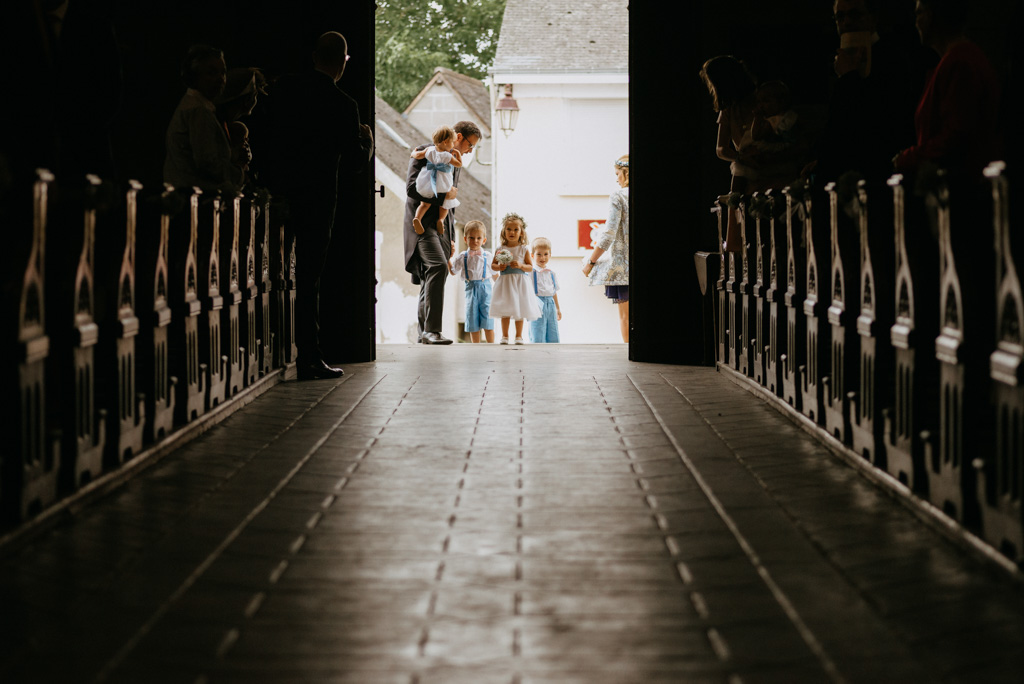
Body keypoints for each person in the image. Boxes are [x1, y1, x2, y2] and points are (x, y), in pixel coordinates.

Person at [261, 31, 374, 379]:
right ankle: (308, 356)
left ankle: (269, 349)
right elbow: (355, 162)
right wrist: (366, 142)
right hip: (318, 199)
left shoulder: (283, 90)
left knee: (267, 274)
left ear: (313, 57)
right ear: (342, 62)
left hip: (276, 193)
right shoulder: (343, 104)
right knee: (308, 278)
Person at [808, 0, 933, 185]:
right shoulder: (840, 60)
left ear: (872, 19)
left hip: (876, 179)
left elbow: (877, 124)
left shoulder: (892, 60)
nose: (847, 22)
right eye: (840, 16)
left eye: (855, 14)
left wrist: (849, 78)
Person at [894, 0, 1001, 179]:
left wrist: (907, 159)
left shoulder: (960, 62)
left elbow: (954, 138)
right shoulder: (958, 60)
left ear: (931, 16)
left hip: (960, 188)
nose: (916, 22)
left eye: (919, 13)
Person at [403, 121, 482, 345]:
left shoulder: (454, 161)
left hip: (442, 228)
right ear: (458, 136)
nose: (470, 151)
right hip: (421, 224)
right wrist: (443, 196)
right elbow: (411, 189)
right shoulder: (425, 151)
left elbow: (451, 202)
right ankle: (432, 331)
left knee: (433, 275)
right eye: (470, 145)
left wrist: (452, 237)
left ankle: (424, 333)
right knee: (437, 266)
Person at [164, 45, 242, 193]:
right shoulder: (198, 110)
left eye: (223, 73)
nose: (220, 79)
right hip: (194, 197)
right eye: (211, 73)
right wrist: (238, 175)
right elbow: (207, 162)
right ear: (194, 75)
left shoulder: (194, 105)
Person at [700, 56, 758, 251]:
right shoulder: (729, 110)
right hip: (745, 168)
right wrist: (741, 157)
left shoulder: (761, 100)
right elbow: (720, 149)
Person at [583, 155, 630, 343]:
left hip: (623, 265)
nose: (616, 178)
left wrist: (591, 262)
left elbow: (609, 233)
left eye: (618, 174)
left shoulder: (618, 196)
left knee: (626, 317)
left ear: (625, 173)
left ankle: (630, 355)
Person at [489, 212, 541, 345]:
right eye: (509, 229)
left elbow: (530, 267)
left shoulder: (523, 249)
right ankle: (505, 336)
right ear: (504, 231)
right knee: (504, 309)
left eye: (516, 229)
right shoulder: (500, 248)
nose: (512, 232)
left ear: (521, 232)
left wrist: (521, 265)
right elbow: (493, 265)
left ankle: (519, 336)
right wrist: (499, 267)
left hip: (520, 283)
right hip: (505, 282)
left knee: (520, 309)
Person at [449, 220, 496, 343]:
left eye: (478, 238)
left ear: (484, 240)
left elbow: (495, 275)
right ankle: (476, 347)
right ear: (465, 239)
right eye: (471, 238)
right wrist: (448, 258)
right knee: (472, 319)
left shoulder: (488, 256)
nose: (475, 241)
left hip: (486, 290)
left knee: (488, 320)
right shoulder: (462, 256)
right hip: (470, 289)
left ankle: (491, 347)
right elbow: (453, 271)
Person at [410, 126, 462, 235]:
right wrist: (458, 154)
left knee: (424, 204)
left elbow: (418, 155)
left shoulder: (429, 150)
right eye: (452, 142)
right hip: (442, 183)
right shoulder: (447, 156)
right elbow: (459, 164)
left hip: (428, 180)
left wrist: (413, 153)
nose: (453, 145)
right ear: (445, 142)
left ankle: (417, 218)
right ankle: (441, 220)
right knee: (445, 203)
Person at [529, 237, 561, 344]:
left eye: (546, 254)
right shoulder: (530, 273)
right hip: (537, 303)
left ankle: (552, 357)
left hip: (550, 304)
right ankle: (537, 357)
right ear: (532, 255)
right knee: (537, 332)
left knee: (553, 332)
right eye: (539, 254)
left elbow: (554, 292)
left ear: (550, 255)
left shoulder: (551, 273)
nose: (543, 257)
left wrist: (558, 308)